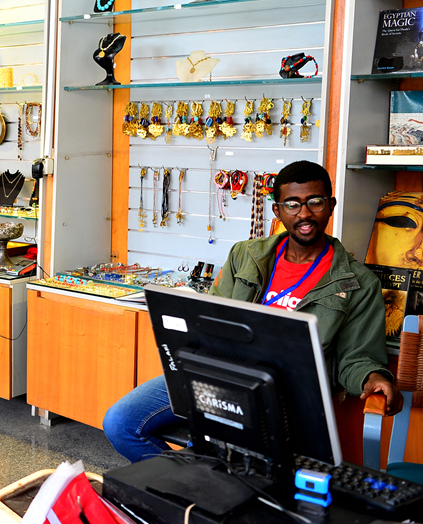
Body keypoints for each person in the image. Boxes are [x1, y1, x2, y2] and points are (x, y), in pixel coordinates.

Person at [102, 160, 403, 463]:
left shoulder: (358, 283)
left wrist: (372, 377)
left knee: (224, 454)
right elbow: (209, 319)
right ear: (277, 211)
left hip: (284, 396)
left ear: (330, 205)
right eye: (292, 204)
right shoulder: (245, 255)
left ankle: (198, 475)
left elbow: (357, 359)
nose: (304, 214)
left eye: (315, 202)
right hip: (219, 374)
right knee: (120, 423)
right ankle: (187, 477)